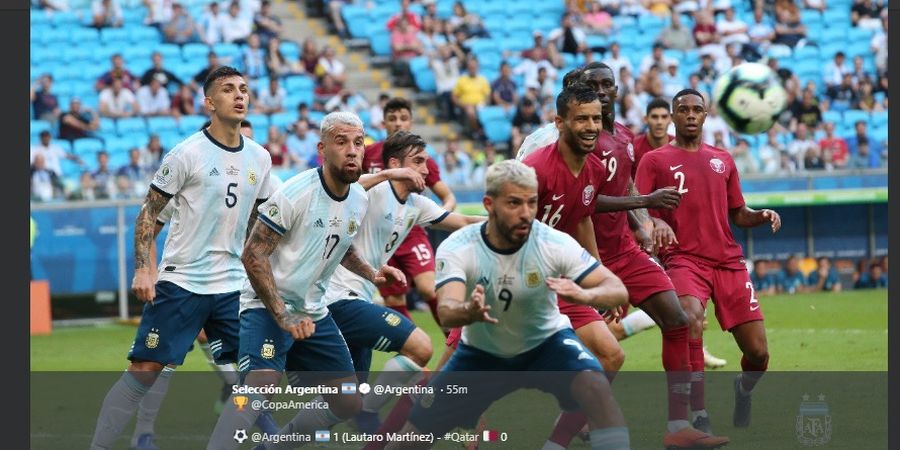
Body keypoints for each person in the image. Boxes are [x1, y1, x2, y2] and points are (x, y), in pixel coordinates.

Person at [385, 159, 631, 450]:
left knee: (595, 387)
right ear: (489, 204)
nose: (525, 213)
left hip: (547, 345)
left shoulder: (552, 241)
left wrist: (585, 295)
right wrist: (469, 311)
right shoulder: (459, 245)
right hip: (480, 356)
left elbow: (617, 290)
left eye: (531, 202)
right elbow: (446, 312)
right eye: (514, 203)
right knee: (412, 438)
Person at [89, 66, 274, 450]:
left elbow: (262, 223)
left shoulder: (260, 157)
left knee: (261, 376)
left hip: (232, 288)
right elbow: (147, 214)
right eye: (227, 89)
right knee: (145, 371)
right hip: (183, 283)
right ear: (209, 102)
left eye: (243, 88)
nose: (239, 95)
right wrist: (144, 268)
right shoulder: (186, 154)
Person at [205, 111, 404, 449]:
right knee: (260, 386)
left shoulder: (358, 198)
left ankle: (275, 446)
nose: (353, 150)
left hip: (313, 312)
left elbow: (340, 244)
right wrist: (282, 314)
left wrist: (371, 272)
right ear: (322, 149)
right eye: (341, 142)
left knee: (347, 401)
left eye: (358, 142)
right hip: (266, 307)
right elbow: (253, 255)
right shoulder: (296, 193)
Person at [635, 89, 782, 435]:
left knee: (758, 354)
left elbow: (737, 213)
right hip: (683, 258)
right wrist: (653, 223)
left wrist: (758, 215)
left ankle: (742, 389)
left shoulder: (723, 159)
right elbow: (637, 206)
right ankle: (699, 412)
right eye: (682, 109)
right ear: (672, 117)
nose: (689, 114)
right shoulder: (654, 161)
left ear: (705, 115)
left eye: (696, 110)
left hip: (728, 262)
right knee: (689, 320)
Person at [323, 131, 484, 434]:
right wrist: (387, 173)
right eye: (419, 162)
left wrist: (506, 220)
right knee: (420, 347)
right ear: (396, 164)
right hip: (337, 298)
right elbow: (340, 188)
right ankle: (370, 413)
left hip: (360, 296)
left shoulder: (416, 204)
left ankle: (277, 441)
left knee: (346, 401)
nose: (426, 169)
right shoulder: (373, 192)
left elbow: (461, 222)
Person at [361, 98, 457, 329]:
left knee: (428, 287)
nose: (398, 124)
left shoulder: (422, 160)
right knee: (393, 298)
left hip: (411, 231)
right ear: (383, 122)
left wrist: (438, 215)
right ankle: (415, 354)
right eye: (392, 119)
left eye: (403, 118)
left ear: (411, 121)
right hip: (380, 235)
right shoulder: (369, 153)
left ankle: (454, 341)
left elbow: (448, 196)